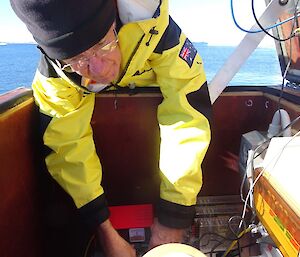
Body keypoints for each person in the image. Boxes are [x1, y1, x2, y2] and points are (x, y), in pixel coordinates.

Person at [10, 0, 212, 256]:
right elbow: (69, 149)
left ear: (116, 17)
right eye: (77, 59)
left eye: (103, 44)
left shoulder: (159, 35)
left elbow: (187, 118)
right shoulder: (54, 79)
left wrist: (175, 213)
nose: (99, 70)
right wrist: (104, 230)